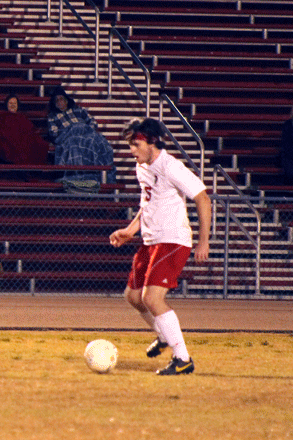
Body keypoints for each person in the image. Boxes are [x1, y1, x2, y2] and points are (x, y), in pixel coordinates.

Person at [109, 118, 210, 375]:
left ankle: (183, 359)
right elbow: (148, 203)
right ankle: (164, 336)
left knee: (151, 298)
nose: (132, 150)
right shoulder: (142, 166)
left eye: (135, 144)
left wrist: (204, 240)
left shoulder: (170, 166)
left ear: (151, 141)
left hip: (173, 239)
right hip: (151, 239)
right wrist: (130, 231)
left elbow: (202, 198)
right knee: (132, 297)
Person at [47, 86, 115, 182]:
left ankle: (100, 176)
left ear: (66, 100)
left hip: (86, 136)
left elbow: (93, 122)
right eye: (56, 100)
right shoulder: (52, 116)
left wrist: (83, 130)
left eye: (61, 99)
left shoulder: (78, 110)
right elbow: (54, 133)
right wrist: (73, 130)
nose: (59, 102)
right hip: (69, 137)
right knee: (74, 143)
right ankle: (78, 178)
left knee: (99, 143)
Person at [0, 94, 50, 165]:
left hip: (22, 139)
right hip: (7, 139)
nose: (13, 105)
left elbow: (29, 129)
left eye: (15, 103)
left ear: (18, 105)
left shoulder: (21, 117)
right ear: (6, 105)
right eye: (10, 103)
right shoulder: (0, 117)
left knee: (39, 143)